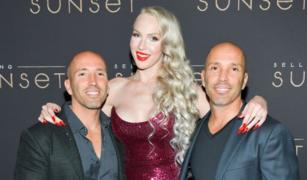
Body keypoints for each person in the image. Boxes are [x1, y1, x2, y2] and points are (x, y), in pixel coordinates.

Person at [38, 7, 267, 180]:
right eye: (137, 35)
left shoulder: (185, 90)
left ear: (167, 44)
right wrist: (54, 110)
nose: (141, 46)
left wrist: (259, 101)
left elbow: (228, 116)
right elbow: (82, 113)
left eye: (153, 38)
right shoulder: (114, 88)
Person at [179, 42, 299, 180]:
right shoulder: (195, 130)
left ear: (244, 81)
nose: (223, 77)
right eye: (215, 68)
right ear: (203, 79)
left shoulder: (269, 134)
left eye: (234, 69)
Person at [14, 51, 124, 180]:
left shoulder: (121, 133)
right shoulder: (39, 138)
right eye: (82, 74)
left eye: (100, 74)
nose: (93, 81)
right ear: (69, 86)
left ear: (107, 85)